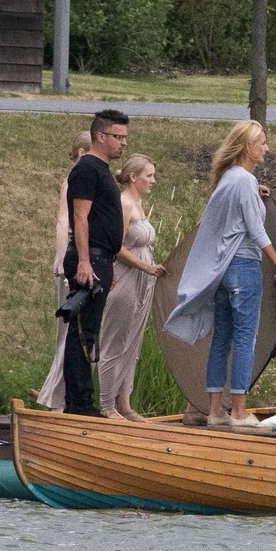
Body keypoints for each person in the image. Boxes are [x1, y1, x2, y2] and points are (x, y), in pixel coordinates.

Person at [164, 120, 276, 428]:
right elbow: (255, 231)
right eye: (262, 142)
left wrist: (253, 191)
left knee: (221, 339)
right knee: (245, 338)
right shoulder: (243, 182)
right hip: (243, 267)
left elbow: (229, 216)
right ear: (248, 146)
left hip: (220, 272)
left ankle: (215, 411)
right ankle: (238, 411)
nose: (266, 148)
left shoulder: (229, 180)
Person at [62, 109, 129, 417]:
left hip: (102, 259)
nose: (123, 143)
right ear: (101, 137)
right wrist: (86, 262)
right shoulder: (87, 169)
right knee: (81, 333)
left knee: (90, 331)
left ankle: (83, 401)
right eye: (119, 137)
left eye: (125, 138)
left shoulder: (101, 170)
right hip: (89, 259)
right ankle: (79, 404)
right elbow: (80, 217)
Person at [97, 154, 167, 421]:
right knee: (115, 341)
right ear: (133, 176)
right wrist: (144, 266)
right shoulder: (124, 203)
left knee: (132, 343)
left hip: (143, 281)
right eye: (148, 175)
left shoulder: (138, 203)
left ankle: (124, 403)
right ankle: (106, 406)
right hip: (126, 277)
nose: (153, 180)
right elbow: (116, 246)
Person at [37, 131, 91, 412]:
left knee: (82, 332)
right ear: (82, 152)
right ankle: (55, 398)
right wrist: (61, 261)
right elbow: (62, 221)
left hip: (87, 258)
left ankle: (68, 396)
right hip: (70, 260)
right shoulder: (72, 181)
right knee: (67, 331)